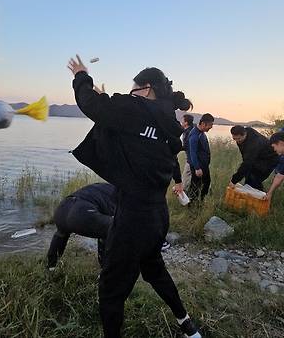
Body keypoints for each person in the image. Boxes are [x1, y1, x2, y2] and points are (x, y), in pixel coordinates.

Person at [67, 55, 202, 338]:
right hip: (157, 215)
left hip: (131, 219)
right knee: (153, 269)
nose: (132, 94)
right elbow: (135, 134)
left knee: (111, 290)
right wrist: (109, 102)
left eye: (134, 90)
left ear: (147, 88)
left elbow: (91, 105)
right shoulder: (168, 120)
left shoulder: (135, 108)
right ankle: (187, 325)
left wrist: (81, 76)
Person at [46, 183, 116, 270]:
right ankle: (104, 270)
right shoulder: (123, 195)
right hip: (81, 213)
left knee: (61, 233)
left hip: (62, 208)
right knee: (112, 229)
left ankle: (51, 267)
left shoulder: (105, 187)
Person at [228, 125, 278, 191]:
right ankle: (251, 195)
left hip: (269, 159)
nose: (237, 141)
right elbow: (246, 157)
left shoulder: (253, 143)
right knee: (248, 177)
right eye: (234, 139)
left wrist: (234, 180)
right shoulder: (244, 133)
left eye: (239, 139)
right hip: (258, 157)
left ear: (244, 134)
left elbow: (247, 163)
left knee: (254, 180)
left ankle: (261, 198)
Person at [187, 113, 214, 201]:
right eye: (210, 125)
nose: (211, 127)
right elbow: (192, 153)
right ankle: (192, 205)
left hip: (203, 165)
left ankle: (201, 200)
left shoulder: (201, 132)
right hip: (198, 166)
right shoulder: (194, 135)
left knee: (206, 182)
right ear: (203, 124)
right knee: (195, 185)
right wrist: (197, 168)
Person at [180, 114, 195, 191]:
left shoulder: (187, 132)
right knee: (192, 177)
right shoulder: (192, 129)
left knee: (185, 177)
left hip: (191, 159)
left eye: (182, 120)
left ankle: (183, 194)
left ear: (186, 123)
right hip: (193, 158)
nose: (181, 122)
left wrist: (175, 148)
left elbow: (186, 146)